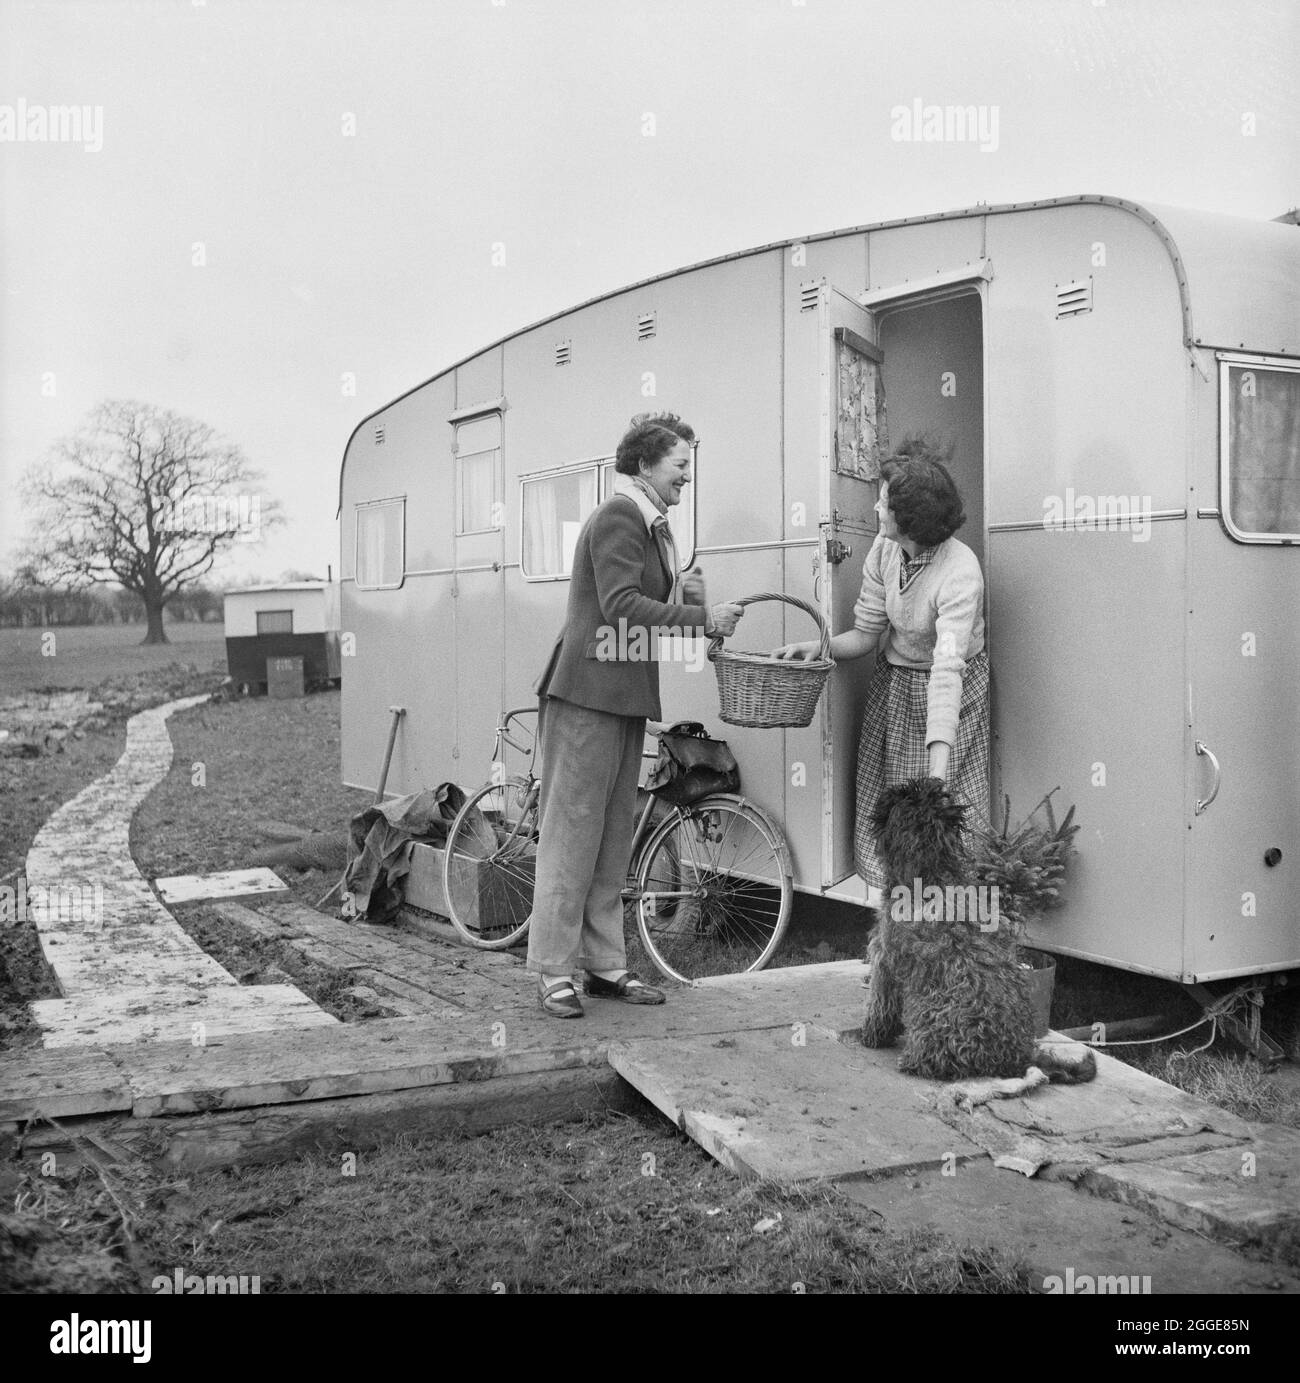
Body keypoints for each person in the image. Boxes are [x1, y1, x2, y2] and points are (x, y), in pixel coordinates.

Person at [528, 412, 743, 1017]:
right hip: (587, 695)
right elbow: (623, 607)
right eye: (680, 466)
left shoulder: (652, 527)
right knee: (573, 832)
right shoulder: (619, 517)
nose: (687, 478)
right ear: (646, 465)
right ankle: (552, 969)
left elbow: (652, 611)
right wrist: (701, 619)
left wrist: (697, 608)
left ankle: (603, 965)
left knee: (613, 833)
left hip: (622, 696)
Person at [773, 445, 988, 898]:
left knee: (943, 814)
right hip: (895, 686)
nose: (874, 506)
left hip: (951, 696)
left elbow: (948, 671)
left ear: (909, 517)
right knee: (893, 811)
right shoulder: (885, 549)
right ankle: (894, 911)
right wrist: (817, 648)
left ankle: (946, 913)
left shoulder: (960, 572)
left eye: (883, 500)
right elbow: (867, 633)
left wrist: (936, 776)